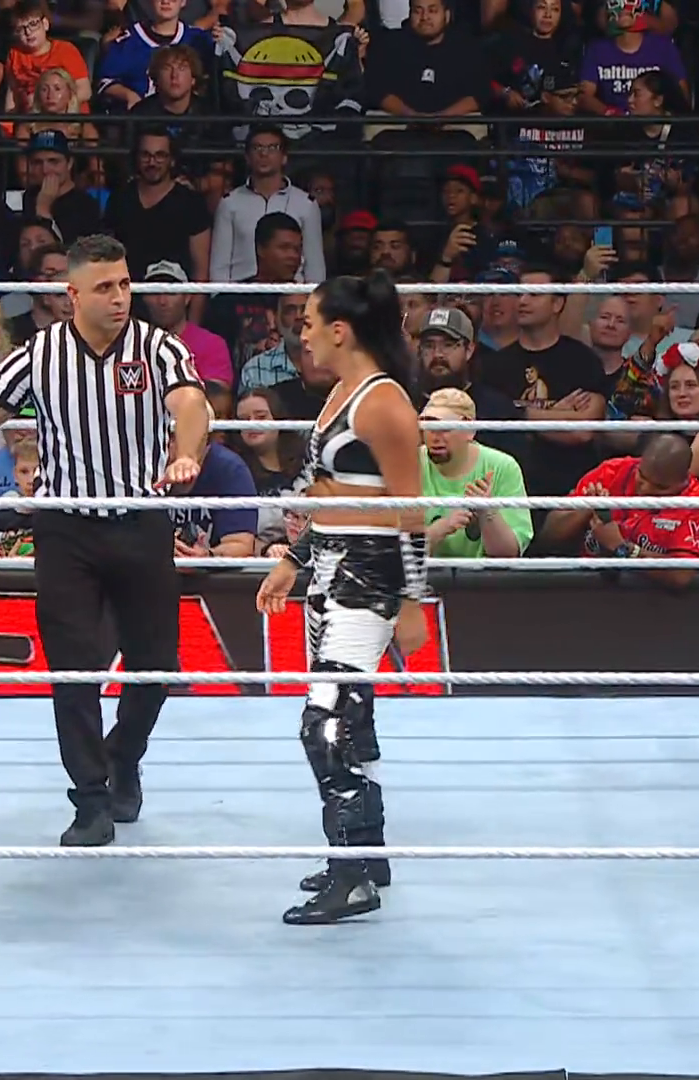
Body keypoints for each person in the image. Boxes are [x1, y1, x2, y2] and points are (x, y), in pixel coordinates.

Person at [0, 234, 211, 848]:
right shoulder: (40, 355)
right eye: (104, 287)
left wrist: (186, 453)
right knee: (73, 669)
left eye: (125, 284)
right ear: (72, 294)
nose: (119, 297)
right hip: (66, 529)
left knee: (157, 665)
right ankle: (90, 800)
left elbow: (191, 404)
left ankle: (123, 754)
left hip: (141, 522)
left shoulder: (158, 347)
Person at [256, 270, 427, 926]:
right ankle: (366, 856)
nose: (300, 333)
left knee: (321, 725)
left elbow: (411, 508)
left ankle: (352, 877)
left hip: (369, 579)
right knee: (348, 722)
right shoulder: (339, 394)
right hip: (330, 571)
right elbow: (330, 497)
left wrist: (411, 602)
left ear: (340, 330)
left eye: (307, 321)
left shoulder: (383, 403)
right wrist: (293, 560)